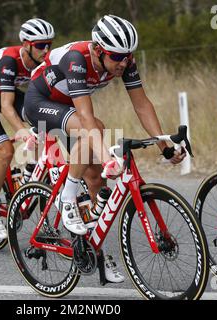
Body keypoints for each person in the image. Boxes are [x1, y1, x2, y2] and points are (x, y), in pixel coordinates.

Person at [23, 15, 185, 283]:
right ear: (98, 50)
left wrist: (164, 145)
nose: (123, 62)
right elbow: (86, 119)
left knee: (98, 178)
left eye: (128, 56)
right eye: (117, 56)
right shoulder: (77, 59)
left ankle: (91, 249)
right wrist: (108, 155)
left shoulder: (124, 62)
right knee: (95, 127)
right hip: (40, 102)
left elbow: (142, 104)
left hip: (70, 109)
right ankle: (68, 199)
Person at [0, 18, 54, 239]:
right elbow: (6, 107)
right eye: (41, 45)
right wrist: (21, 130)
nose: (47, 50)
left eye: (49, 44)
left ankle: (27, 172)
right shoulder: (10, 61)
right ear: (26, 44)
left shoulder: (43, 61)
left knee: (44, 121)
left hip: (9, 93)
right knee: (6, 151)